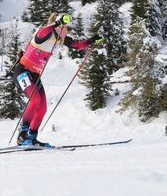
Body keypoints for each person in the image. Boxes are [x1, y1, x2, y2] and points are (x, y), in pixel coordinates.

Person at [13, 12, 103, 147]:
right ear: (59, 26)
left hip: (35, 75)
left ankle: (32, 137)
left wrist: (92, 40)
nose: (68, 31)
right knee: (35, 99)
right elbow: (43, 31)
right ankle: (22, 135)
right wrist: (56, 23)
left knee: (42, 108)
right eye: (66, 28)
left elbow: (77, 45)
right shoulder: (44, 34)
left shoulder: (59, 39)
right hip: (23, 71)